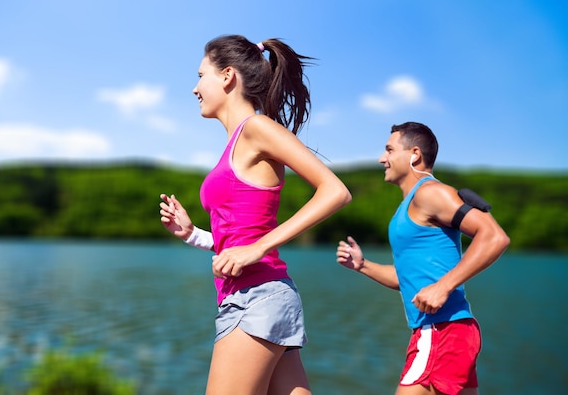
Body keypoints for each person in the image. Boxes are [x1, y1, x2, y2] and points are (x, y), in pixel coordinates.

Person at [159, 34, 351, 395]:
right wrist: (193, 235)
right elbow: (239, 239)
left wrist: (258, 249)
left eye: (201, 75)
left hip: (255, 297)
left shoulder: (257, 129)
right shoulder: (237, 142)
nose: (195, 88)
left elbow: (335, 191)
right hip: (256, 296)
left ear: (228, 76)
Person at [336, 122, 510, 395]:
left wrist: (443, 286)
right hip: (444, 331)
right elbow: (406, 279)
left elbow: (494, 237)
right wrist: (363, 265)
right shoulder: (409, 206)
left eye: (389, 150)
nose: (383, 158)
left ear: (414, 154)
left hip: (441, 331)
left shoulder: (430, 193)